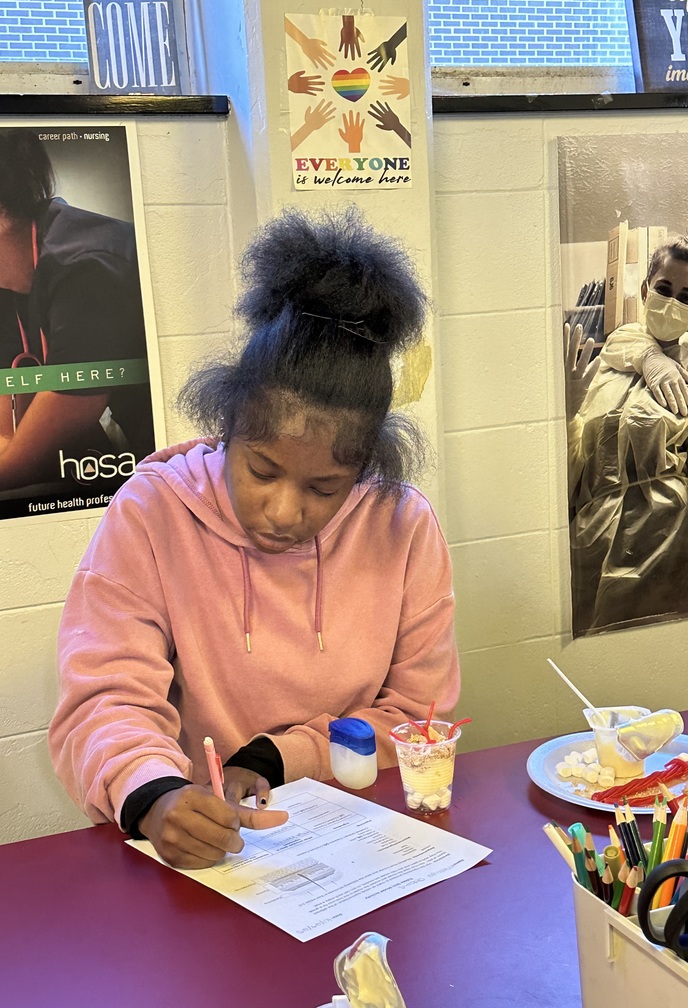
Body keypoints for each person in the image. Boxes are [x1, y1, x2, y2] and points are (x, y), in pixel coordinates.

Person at [49, 206, 460, 869]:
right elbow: (106, 697)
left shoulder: (402, 525)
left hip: (361, 847)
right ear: (227, 426)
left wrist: (280, 755)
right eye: (261, 471)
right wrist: (155, 793)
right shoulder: (153, 514)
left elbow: (417, 715)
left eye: (325, 488)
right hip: (206, 851)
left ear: (365, 468)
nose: (283, 511)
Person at [565, 216, 688, 636]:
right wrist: (564, 419)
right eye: (664, 289)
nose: (671, 302)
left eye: (685, 297)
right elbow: (567, 482)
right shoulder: (607, 363)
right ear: (645, 289)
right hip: (591, 544)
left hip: (672, 546)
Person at [0, 128, 154, 492]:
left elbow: (19, 463)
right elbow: (9, 433)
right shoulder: (13, 274)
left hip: (173, 457)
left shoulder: (88, 266)